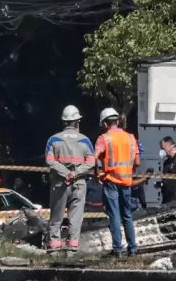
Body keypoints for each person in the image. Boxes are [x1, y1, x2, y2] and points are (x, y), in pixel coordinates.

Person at [45, 105, 95, 256]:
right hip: (79, 183)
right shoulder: (85, 140)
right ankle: (71, 250)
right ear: (77, 122)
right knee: (76, 217)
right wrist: (75, 174)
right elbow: (91, 162)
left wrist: (65, 173)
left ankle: (54, 248)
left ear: (64, 122)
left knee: (56, 217)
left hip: (60, 182)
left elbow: (49, 160)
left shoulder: (53, 139)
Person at [94, 107, 140, 257]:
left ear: (105, 124)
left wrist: (97, 172)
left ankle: (117, 250)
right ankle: (133, 249)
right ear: (117, 121)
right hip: (126, 182)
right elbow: (137, 162)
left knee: (114, 215)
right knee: (127, 215)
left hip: (111, 182)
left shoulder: (104, 138)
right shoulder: (130, 137)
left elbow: (94, 157)